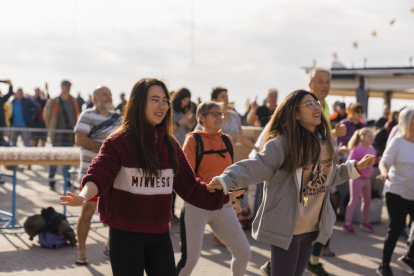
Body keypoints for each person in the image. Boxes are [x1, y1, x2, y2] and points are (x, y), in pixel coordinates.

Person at [60, 78, 242, 276]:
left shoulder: (170, 145)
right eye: (155, 100)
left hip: (160, 235)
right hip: (125, 235)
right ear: (139, 103)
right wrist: (84, 195)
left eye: (165, 101)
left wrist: (223, 196)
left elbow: (190, 187)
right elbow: (99, 173)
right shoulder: (118, 141)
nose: (162, 106)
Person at [207, 90, 375, 276]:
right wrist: (227, 179)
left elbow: (329, 177)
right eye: (309, 104)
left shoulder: (327, 143)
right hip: (288, 226)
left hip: (313, 227)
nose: (316, 107)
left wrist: (355, 168)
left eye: (316, 103)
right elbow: (258, 165)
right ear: (295, 114)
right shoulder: (283, 144)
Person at [176, 101, 251, 276]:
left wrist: (232, 198)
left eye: (220, 114)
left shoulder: (227, 140)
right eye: (214, 114)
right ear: (201, 117)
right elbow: (187, 179)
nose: (219, 118)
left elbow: (229, 174)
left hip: (222, 206)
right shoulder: (193, 140)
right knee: (190, 260)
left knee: (243, 253)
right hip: (196, 207)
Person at [73, 86, 123, 265]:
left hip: (115, 174)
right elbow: (79, 139)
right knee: (87, 212)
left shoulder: (119, 118)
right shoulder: (87, 115)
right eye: (104, 94)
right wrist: (107, 147)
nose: (109, 97)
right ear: (95, 99)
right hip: (91, 173)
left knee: (118, 213)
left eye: (110, 94)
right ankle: (81, 250)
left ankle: (110, 245)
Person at [306, 67, 347, 276]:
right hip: (306, 174)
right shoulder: (305, 105)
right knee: (307, 223)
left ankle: (312, 260)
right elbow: (309, 136)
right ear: (310, 85)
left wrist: (334, 135)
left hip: (322, 172)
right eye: (320, 81)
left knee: (324, 221)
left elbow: (321, 136)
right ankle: (277, 263)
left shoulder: (324, 104)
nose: (325, 85)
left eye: (328, 81)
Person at [376, 107, 414, 276]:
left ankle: (409, 257)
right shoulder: (398, 142)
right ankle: (384, 265)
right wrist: (384, 172)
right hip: (396, 190)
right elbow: (384, 161)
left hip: (413, 193)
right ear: (408, 122)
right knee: (396, 228)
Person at [43, 80, 80, 191]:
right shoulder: (54, 101)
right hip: (57, 135)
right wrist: (51, 129)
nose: (67, 88)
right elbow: (46, 115)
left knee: (68, 159)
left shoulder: (73, 100)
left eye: (69, 86)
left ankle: (67, 181)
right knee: (55, 158)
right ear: (62, 86)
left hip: (69, 135)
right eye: (66, 85)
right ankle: (51, 180)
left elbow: (77, 115)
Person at [343, 128, 377, 233]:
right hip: (357, 178)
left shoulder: (372, 149)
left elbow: (373, 162)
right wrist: (361, 163)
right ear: (362, 137)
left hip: (367, 178)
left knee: (367, 200)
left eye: (372, 136)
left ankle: (365, 221)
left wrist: (376, 160)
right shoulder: (357, 149)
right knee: (354, 200)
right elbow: (350, 161)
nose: (371, 138)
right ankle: (347, 222)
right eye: (368, 136)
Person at [208, 87, 259, 151]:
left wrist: (258, 149)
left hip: (228, 155)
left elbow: (240, 138)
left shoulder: (234, 116)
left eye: (227, 96)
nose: (226, 99)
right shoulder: (208, 117)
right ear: (214, 100)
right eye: (222, 97)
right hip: (212, 154)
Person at [0, 80, 14, 146]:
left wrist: (10, 85)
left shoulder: (1, 99)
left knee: (1, 140)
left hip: (1, 125)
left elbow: (10, 93)